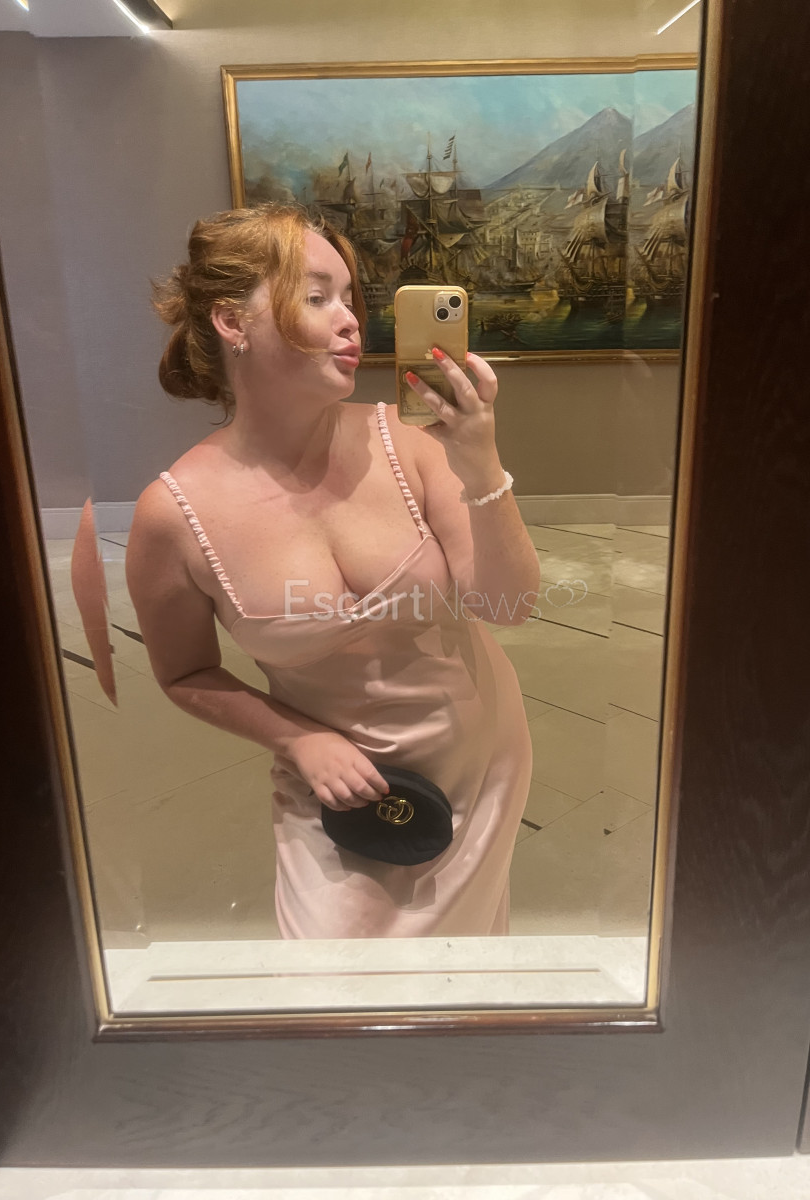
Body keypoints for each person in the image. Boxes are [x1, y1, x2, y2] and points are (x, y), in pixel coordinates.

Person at [126, 203, 540, 939]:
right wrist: (296, 740)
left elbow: (508, 605)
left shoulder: (407, 445)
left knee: (464, 974)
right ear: (232, 322)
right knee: (329, 966)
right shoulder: (174, 514)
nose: (351, 321)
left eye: (350, 298)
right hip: (333, 784)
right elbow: (185, 673)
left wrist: (480, 463)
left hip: (479, 757)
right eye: (318, 297)